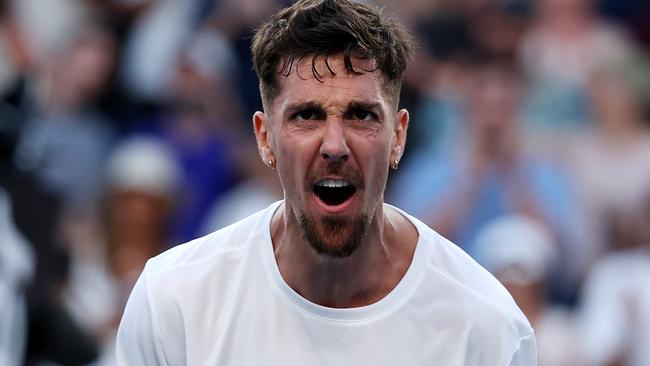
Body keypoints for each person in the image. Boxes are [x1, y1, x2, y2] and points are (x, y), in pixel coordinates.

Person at [116, 0, 536, 364]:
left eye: (360, 115)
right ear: (265, 138)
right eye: (307, 115)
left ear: (399, 137)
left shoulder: (487, 325)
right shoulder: (174, 301)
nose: (335, 145)